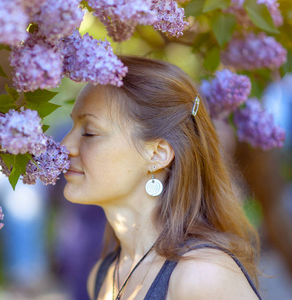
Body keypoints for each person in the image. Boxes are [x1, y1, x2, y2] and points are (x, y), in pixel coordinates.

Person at [60, 56, 262, 300]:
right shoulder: (104, 276)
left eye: (90, 132)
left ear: (157, 154)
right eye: (72, 127)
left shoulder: (203, 276)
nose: (64, 145)